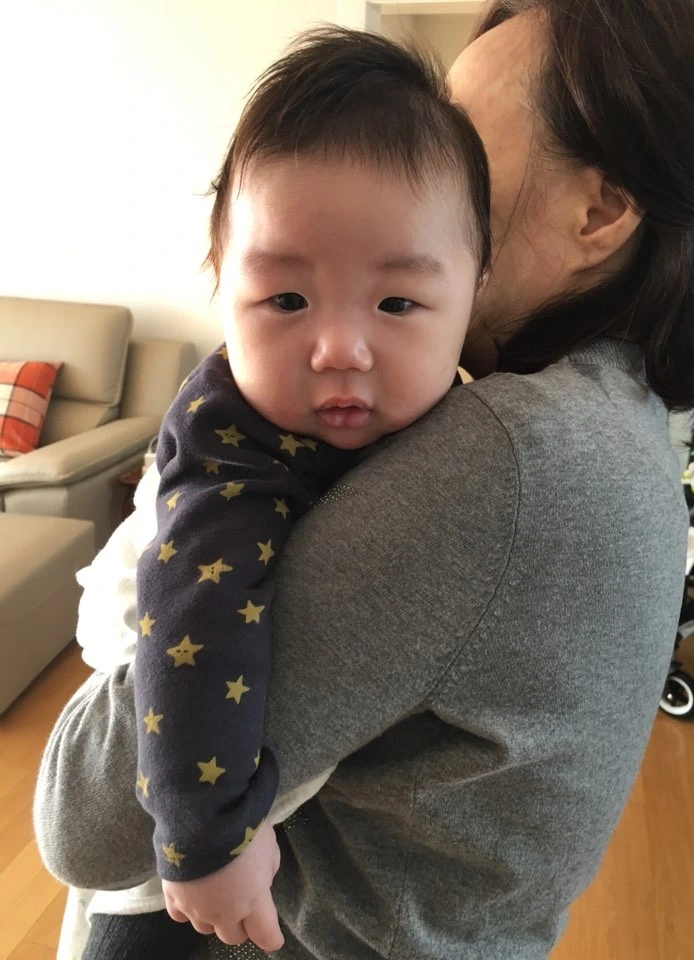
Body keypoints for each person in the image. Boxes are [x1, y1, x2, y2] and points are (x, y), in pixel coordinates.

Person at [34, 1, 694, 958]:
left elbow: (82, 816)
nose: (409, 151)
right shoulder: (625, 416)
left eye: (458, 132)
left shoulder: (511, 457)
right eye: (284, 296)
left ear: (600, 211)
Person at [129, 26, 489, 952]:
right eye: (285, 300)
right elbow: (192, 631)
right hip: (184, 869)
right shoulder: (232, 451)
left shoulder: (480, 419)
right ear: (222, 287)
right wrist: (205, 839)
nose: (338, 349)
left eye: (398, 303)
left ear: (475, 296)